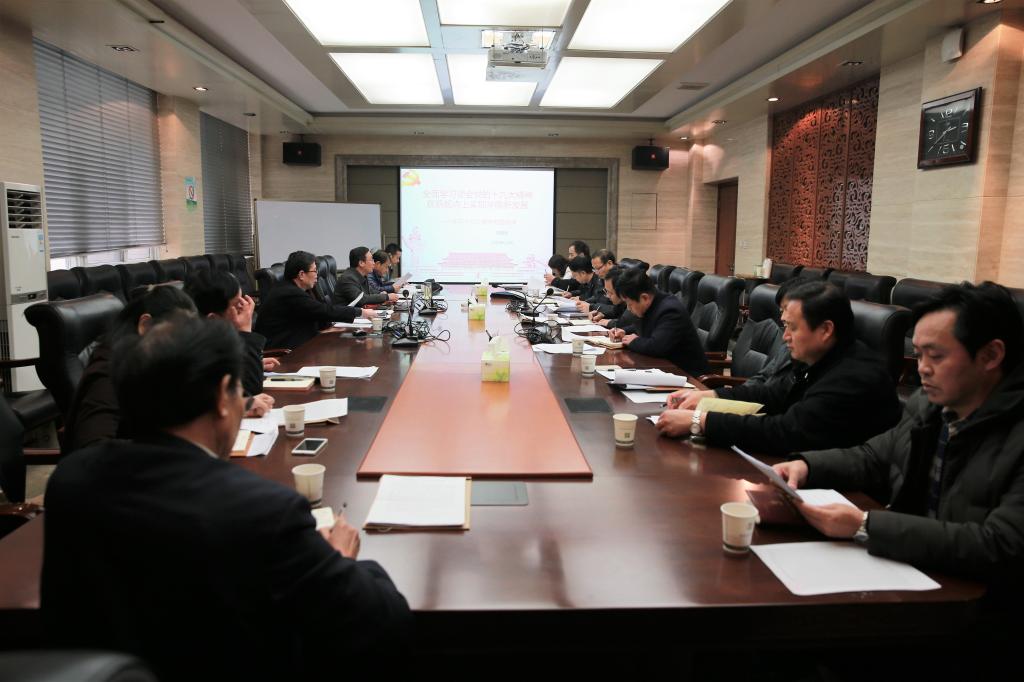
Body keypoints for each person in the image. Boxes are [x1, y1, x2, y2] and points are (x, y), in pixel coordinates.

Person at [42, 317, 412, 680]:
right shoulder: (262, 509)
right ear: (223, 396)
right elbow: (380, 621)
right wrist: (341, 560)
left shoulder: (72, 480)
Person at [773, 282, 1024, 622]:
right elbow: (875, 456)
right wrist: (806, 466)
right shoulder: (930, 404)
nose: (922, 368)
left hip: (981, 613)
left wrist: (866, 525)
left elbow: (1000, 546)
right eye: (918, 354)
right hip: (911, 576)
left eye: (936, 356)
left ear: (991, 355)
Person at [656, 280, 900, 456]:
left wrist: (699, 421)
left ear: (825, 330)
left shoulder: (854, 376)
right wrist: (710, 396)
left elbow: (785, 432)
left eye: (792, 327)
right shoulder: (817, 356)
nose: (784, 337)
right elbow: (771, 394)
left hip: (848, 495)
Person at [64, 284, 197, 452]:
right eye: (177, 336)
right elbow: (93, 446)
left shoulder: (154, 363)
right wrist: (162, 450)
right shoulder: (109, 369)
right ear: (145, 325)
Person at [667, 277, 808, 411]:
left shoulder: (811, 370)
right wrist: (711, 397)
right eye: (782, 312)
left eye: (791, 324)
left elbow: (778, 414)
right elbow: (762, 382)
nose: (785, 335)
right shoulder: (790, 348)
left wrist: (701, 419)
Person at [186, 269, 275, 415]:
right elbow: (251, 389)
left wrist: (248, 362)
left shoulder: (210, 337)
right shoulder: (190, 350)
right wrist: (245, 332)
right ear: (213, 319)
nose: (245, 308)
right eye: (237, 305)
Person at [254, 250, 374, 349]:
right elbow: (323, 310)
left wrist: (326, 329)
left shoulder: (296, 289)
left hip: (297, 344)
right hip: (284, 352)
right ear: (301, 274)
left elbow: (316, 313)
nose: (317, 275)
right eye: (314, 271)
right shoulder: (289, 293)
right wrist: (360, 312)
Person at [608, 267, 710, 376]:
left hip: (687, 376)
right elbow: (648, 327)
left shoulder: (670, 310)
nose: (628, 308)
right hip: (664, 370)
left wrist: (633, 341)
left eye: (630, 304)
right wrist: (624, 331)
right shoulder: (653, 304)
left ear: (644, 298)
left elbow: (657, 347)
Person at [334, 246, 399, 307]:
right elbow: (361, 299)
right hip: (348, 315)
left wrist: (381, 294)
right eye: (371, 260)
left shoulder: (363, 275)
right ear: (361, 263)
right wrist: (386, 297)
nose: (374, 263)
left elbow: (371, 291)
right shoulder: (348, 278)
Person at [577, 249, 616, 315]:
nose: (596, 273)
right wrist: (585, 302)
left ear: (609, 263)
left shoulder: (620, 279)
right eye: (594, 269)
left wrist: (591, 307)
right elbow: (598, 296)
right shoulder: (603, 278)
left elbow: (618, 310)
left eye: (598, 268)